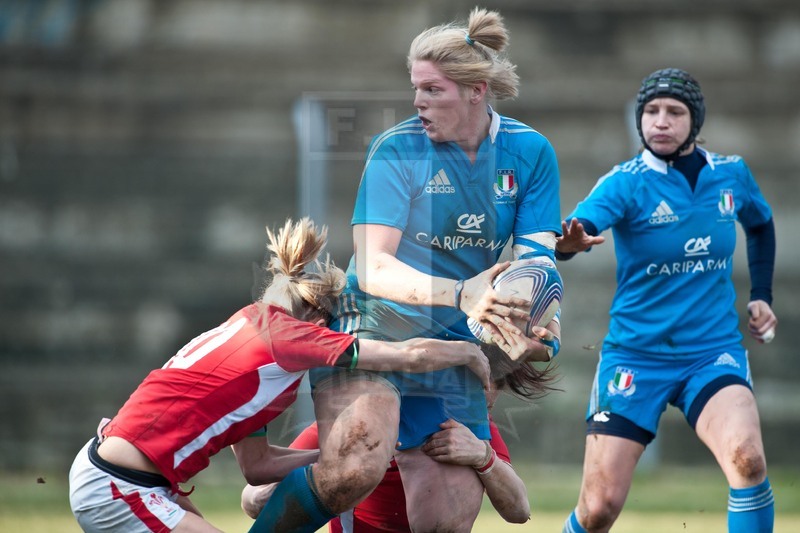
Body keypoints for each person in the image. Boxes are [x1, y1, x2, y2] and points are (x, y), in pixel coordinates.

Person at [253, 7, 563, 532]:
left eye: (433, 90)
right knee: (356, 467)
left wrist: (539, 328)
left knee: (447, 516)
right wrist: (463, 291)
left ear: (476, 90)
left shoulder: (530, 153)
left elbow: (536, 266)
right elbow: (373, 268)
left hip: (453, 345)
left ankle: (276, 497)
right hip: (374, 326)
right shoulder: (397, 150)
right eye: (415, 88)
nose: (417, 102)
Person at [67, 217, 490, 533]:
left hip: (133, 477)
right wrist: (470, 352)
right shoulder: (290, 338)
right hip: (120, 485)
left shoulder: (257, 340)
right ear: (320, 316)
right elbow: (407, 356)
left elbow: (258, 465)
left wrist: (338, 460)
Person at [557, 68, 777, 533]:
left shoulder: (730, 174)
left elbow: (760, 224)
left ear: (694, 122)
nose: (660, 121)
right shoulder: (625, 182)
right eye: (651, 111)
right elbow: (581, 227)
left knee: (748, 461)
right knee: (599, 509)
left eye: (674, 112)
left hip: (711, 353)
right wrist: (568, 244)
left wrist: (761, 295)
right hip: (636, 357)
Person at [243, 343, 556, 531]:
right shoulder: (364, 420)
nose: (482, 407)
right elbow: (253, 500)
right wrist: (345, 463)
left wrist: (483, 458)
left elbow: (519, 511)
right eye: (474, 395)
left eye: (488, 400)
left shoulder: (471, 432)